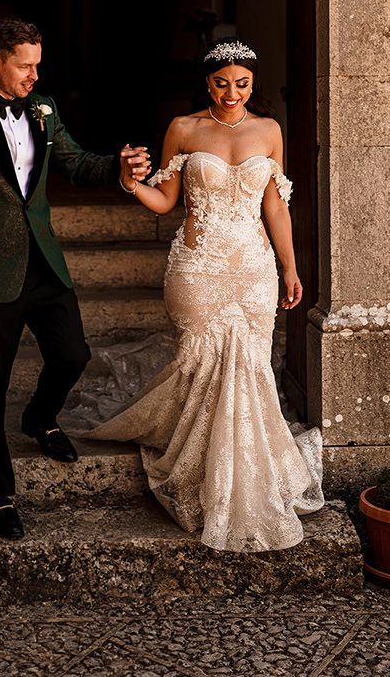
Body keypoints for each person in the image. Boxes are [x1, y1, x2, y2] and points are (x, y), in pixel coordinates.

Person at [84, 39, 325, 551]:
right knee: (202, 361)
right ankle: (200, 479)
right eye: (222, 83)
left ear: (253, 84)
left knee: (253, 365)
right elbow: (163, 200)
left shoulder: (270, 131)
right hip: (198, 266)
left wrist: (290, 267)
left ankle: (246, 481)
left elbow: (275, 208)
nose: (231, 93)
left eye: (242, 84)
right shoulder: (184, 129)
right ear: (207, 82)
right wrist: (131, 183)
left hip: (254, 269)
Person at [0, 18, 152, 540]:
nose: (34, 75)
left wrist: (119, 168)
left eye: (38, 65)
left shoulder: (44, 108)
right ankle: (0, 493)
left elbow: (73, 162)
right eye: (25, 65)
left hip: (43, 262)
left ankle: (40, 417)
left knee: (73, 354)